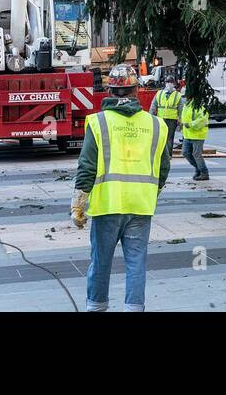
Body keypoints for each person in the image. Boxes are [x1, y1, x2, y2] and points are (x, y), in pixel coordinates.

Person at [71, 65, 170, 312]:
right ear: (136, 90)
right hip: (140, 206)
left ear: (110, 90)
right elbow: (163, 168)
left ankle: (95, 308)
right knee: (136, 263)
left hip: (107, 206)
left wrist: (78, 204)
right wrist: (151, 193)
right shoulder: (157, 125)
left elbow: (87, 166)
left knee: (101, 262)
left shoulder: (98, 122)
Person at [180, 97, 211, 180]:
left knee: (196, 154)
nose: (184, 98)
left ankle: (204, 173)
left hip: (198, 135)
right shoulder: (186, 106)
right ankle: (198, 169)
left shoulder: (198, 106)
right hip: (188, 135)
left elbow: (203, 119)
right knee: (185, 152)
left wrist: (190, 124)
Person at [148, 76, 182, 150]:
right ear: (165, 83)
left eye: (171, 82)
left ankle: (169, 154)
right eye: (168, 82)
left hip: (172, 120)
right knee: (161, 136)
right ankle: (161, 153)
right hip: (161, 119)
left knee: (169, 138)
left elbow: (180, 108)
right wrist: (151, 117)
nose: (169, 84)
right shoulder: (159, 93)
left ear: (174, 84)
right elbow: (153, 105)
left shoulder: (177, 95)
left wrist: (180, 118)